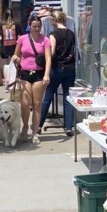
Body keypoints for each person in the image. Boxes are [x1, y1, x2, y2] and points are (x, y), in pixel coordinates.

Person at [12, 14, 51, 145]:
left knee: (37, 104)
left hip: (39, 73)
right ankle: (25, 127)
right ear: (29, 25)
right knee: (25, 103)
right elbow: (16, 54)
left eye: (38, 26)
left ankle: (35, 132)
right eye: (34, 26)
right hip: (25, 72)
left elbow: (48, 59)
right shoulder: (22, 39)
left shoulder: (45, 40)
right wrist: (15, 58)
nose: (36, 29)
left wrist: (46, 74)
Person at [38, 8, 77, 137]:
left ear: (54, 20)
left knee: (48, 96)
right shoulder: (71, 33)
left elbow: (52, 52)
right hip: (70, 68)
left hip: (57, 68)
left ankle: (39, 124)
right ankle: (69, 127)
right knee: (68, 97)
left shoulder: (53, 34)